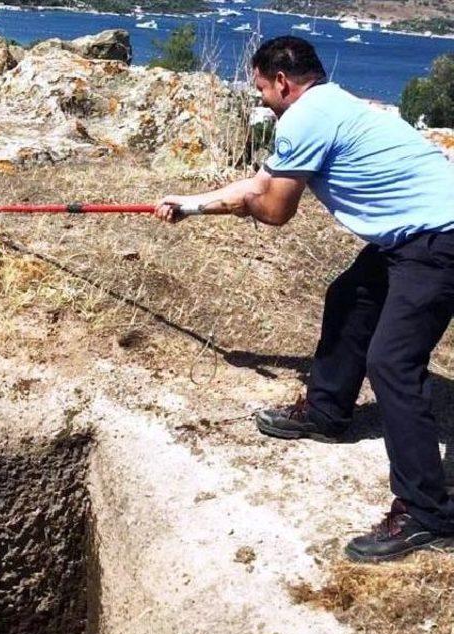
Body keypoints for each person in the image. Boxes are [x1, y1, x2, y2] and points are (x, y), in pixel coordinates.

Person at [155, 36, 454, 564]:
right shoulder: (334, 103)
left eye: (262, 89)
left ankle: (427, 514)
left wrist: (232, 207)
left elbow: (273, 210)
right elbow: (262, 180)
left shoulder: (301, 119)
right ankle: (326, 411)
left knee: (393, 363)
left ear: (283, 83)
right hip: (410, 236)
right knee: (350, 298)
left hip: (437, 239)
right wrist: (193, 204)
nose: (262, 99)